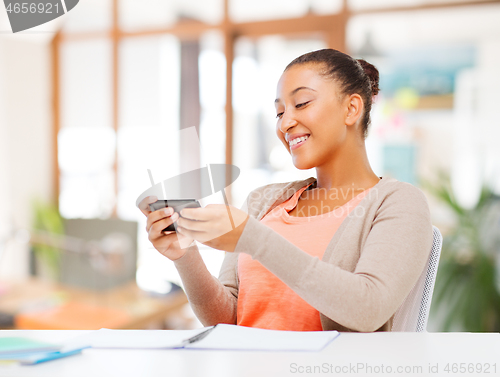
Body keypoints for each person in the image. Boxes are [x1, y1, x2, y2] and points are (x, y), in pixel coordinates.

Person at [138, 48, 433, 333]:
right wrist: (185, 255)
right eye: (279, 112)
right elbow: (226, 321)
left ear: (351, 108)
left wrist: (253, 238)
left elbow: (368, 309)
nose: (286, 123)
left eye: (301, 103)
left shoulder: (398, 202)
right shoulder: (263, 201)